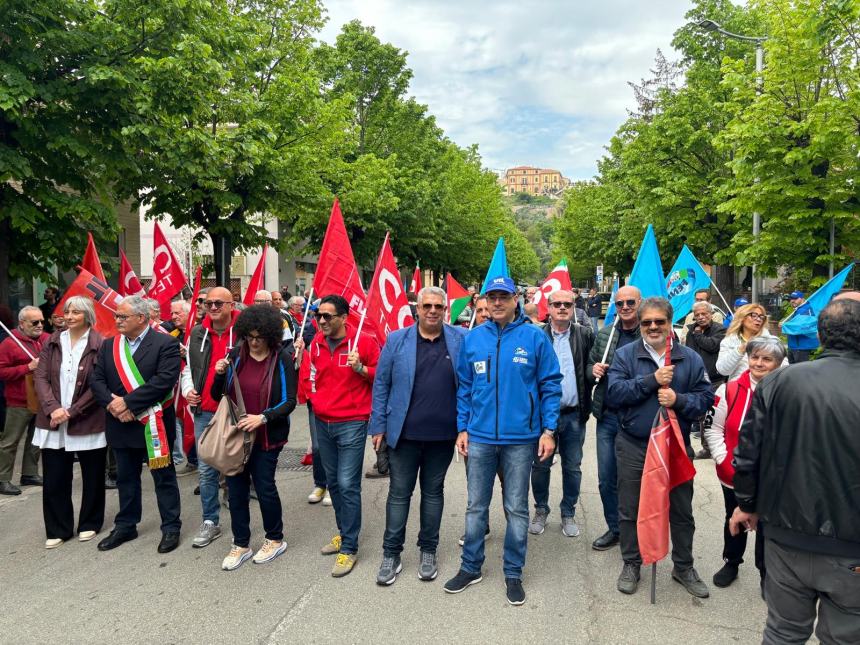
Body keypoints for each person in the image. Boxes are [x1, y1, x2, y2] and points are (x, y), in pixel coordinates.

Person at [730, 299, 860, 644]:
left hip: (787, 537)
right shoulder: (778, 382)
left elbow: (748, 455)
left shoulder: (779, 382)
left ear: (819, 335)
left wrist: (746, 503)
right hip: (844, 548)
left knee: (783, 632)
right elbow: (750, 452)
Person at [444, 276, 561, 606]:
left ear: (515, 299)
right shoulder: (473, 339)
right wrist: (462, 428)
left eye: (503, 297)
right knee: (475, 507)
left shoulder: (534, 338)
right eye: (491, 297)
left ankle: (513, 572)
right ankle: (470, 567)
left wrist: (548, 431)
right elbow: (464, 388)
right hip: (479, 437)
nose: (497, 302)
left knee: (516, 508)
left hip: (521, 440)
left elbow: (551, 386)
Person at [607, 296, 714, 598]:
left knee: (681, 510)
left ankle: (683, 566)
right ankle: (631, 561)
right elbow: (614, 393)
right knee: (630, 507)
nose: (653, 327)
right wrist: (650, 381)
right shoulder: (626, 355)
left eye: (659, 321)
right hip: (634, 445)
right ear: (639, 325)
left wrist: (678, 400)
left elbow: (705, 399)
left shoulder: (689, 358)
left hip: (675, 446)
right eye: (647, 322)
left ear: (670, 323)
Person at [369, 287, 466, 585]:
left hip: (442, 436)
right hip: (404, 435)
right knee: (399, 495)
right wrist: (378, 426)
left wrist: (465, 427)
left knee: (433, 494)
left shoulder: (460, 340)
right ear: (418, 309)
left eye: (438, 306)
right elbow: (381, 384)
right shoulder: (397, 340)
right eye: (427, 306)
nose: (433, 311)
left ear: (445, 309)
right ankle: (391, 554)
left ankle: (428, 549)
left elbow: (469, 385)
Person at [90, 295, 182, 553]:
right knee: (126, 477)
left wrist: (128, 403)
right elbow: (97, 380)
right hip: (120, 423)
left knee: (163, 477)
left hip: (154, 423)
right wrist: (114, 405)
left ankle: (171, 526)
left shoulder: (166, 343)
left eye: (122, 317)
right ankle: (126, 525)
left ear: (141, 318)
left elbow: (164, 381)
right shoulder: (110, 346)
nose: (117, 320)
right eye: (117, 316)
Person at [210, 305, 297, 570]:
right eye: (250, 336)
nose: (255, 342)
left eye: (260, 337)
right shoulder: (236, 356)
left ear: (270, 336)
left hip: (267, 436)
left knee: (264, 487)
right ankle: (241, 542)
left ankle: (274, 538)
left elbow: (289, 401)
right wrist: (218, 374)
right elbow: (218, 396)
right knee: (235, 490)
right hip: (237, 436)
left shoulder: (281, 358)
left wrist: (264, 417)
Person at [299, 294, 380, 578]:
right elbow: (311, 375)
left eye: (327, 316)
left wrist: (361, 368)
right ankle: (343, 533)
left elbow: (381, 375)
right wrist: (313, 398)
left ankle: (349, 547)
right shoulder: (316, 343)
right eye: (318, 315)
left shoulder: (364, 342)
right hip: (323, 421)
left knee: (347, 484)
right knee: (333, 483)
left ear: (344, 318)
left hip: (352, 422)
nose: (321, 321)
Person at [704, 336, 786, 590]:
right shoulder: (727, 389)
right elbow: (712, 429)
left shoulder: (788, 393)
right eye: (755, 357)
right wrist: (723, 459)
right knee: (734, 517)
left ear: (778, 364)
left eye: (767, 359)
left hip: (772, 476)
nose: (759, 363)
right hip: (733, 472)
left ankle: (766, 572)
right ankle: (732, 561)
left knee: (767, 525)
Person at [32, 296, 106, 548]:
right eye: (67, 311)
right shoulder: (52, 342)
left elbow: (97, 384)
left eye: (75, 312)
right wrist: (53, 409)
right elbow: (41, 378)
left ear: (87, 315)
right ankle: (58, 528)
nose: (69, 316)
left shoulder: (99, 343)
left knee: (93, 473)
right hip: (52, 419)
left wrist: (72, 411)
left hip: (86, 418)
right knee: (54, 475)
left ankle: (90, 522)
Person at [528, 290, 593, 538]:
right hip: (543, 417)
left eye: (567, 304)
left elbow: (588, 370)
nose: (562, 308)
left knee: (572, 467)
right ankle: (541, 510)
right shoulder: (536, 336)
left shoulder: (584, 334)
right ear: (549, 307)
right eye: (557, 304)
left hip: (573, 415)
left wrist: (595, 371)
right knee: (540, 465)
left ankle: (568, 512)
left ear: (574, 307)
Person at [180, 286, 238, 547]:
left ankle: (240, 519)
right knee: (206, 471)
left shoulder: (244, 331)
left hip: (236, 410)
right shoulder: (197, 332)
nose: (212, 307)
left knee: (236, 465)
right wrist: (188, 390)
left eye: (218, 303)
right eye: (208, 303)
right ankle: (210, 521)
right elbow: (188, 370)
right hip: (205, 410)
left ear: (231, 305)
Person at [585, 285, 641, 550]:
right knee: (607, 478)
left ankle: (638, 529)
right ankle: (615, 528)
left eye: (631, 302)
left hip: (639, 419)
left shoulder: (652, 332)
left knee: (636, 479)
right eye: (620, 303)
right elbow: (587, 367)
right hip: (608, 417)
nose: (625, 307)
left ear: (640, 303)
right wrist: (592, 368)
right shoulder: (605, 334)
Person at [0, 306, 49, 495]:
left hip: (42, 399)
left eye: (42, 321)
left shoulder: (46, 339)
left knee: (36, 440)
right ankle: (3, 479)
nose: (40, 325)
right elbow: (2, 371)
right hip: (18, 401)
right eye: (34, 322)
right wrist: (27, 367)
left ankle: (29, 473)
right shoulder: (9, 343)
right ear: (22, 323)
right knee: (10, 442)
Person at [684, 300, 727, 459]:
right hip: (697, 379)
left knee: (713, 415)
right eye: (697, 315)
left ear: (711, 314)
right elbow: (689, 352)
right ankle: (706, 448)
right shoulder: (692, 331)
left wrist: (698, 335)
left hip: (715, 379)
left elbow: (712, 346)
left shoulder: (720, 329)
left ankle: (714, 447)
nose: (701, 317)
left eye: (704, 314)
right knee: (701, 415)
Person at [716, 303, 786, 382]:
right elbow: (723, 371)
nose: (758, 319)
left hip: (766, 387)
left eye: (761, 316)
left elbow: (784, 369)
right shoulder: (729, 341)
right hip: (739, 389)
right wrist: (740, 351)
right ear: (742, 317)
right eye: (754, 315)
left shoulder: (773, 342)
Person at [783, 290, 818, 363]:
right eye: (791, 299)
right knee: (793, 371)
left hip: (801, 347)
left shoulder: (806, 310)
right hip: (794, 346)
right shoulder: (798, 310)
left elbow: (803, 327)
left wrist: (785, 325)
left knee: (800, 372)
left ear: (802, 299)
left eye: (795, 298)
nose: (792, 301)